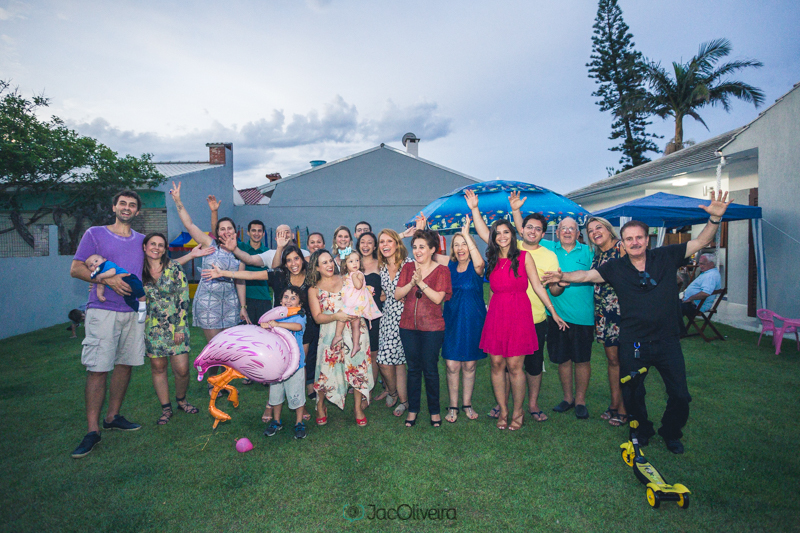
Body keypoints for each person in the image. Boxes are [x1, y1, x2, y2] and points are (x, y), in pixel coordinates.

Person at [543, 190, 733, 454]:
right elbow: (587, 275)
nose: (634, 242)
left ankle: (671, 432)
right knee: (632, 392)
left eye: (638, 238)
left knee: (680, 394)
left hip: (667, 340)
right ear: (623, 242)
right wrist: (562, 275)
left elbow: (700, 241)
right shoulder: (615, 267)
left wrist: (714, 219)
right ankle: (640, 429)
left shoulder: (666, 256)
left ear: (647, 239)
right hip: (633, 340)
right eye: (629, 238)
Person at [69, 190, 145, 458]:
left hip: (132, 313)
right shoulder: (95, 234)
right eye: (122, 203)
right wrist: (105, 280)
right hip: (102, 311)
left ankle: (112, 417)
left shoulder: (143, 241)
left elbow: (156, 268)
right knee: (98, 368)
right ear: (114, 207)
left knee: (125, 364)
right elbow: (76, 268)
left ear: (137, 212)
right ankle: (92, 431)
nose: (126, 208)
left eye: (132, 205)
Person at [475, 215, 567, 431]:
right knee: (497, 364)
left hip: (519, 315)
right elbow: (482, 231)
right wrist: (475, 210)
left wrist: (553, 312)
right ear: (494, 237)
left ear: (513, 234)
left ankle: (518, 411)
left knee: (515, 367)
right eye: (497, 233)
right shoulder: (492, 257)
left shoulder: (525, 257)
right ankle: (503, 410)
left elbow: (537, 286)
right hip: (497, 315)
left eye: (506, 232)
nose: (502, 236)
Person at [205, 244, 317, 421]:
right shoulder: (279, 275)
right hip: (277, 329)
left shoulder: (311, 277)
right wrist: (224, 273)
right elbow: (250, 274)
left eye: (296, 258)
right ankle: (270, 405)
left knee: (298, 367)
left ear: (302, 260)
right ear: (284, 263)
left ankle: (299, 405)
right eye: (289, 260)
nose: (293, 263)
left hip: (303, 328)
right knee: (276, 366)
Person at [169, 181, 248, 391]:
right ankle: (213, 380)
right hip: (208, 302)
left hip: (230, 302)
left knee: (227, 347)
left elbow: (240, 281)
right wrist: (178, 201)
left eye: (229, 228)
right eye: (221, 229)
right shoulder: (208, 245)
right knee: (215, 347)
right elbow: (189, 225)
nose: (226, 231)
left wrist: (242, 306)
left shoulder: (238, 253)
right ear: (218, 232)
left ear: (234, 231)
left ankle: (220, 382)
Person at [508, 194, 563, 423]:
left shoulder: (550, 256)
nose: (532, 231)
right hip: (509, 318)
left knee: (533, 364)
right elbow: (487, 235)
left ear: (543, 233)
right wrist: (515, 210)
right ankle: (503, 402)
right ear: (522, 229)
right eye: (528, 227)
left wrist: (558, 283)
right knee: (507, 364)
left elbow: (555, 291)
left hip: (535, 319)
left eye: (537, 229)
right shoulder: (511, 248)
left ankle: (532, 404)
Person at [141, 232, 204, 425]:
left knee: (182, 369)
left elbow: (183, 298)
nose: (156, 248)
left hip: (177, 326)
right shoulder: (138, 270)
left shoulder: (174, 268)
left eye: (160, 245)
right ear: (145, 247)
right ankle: (165, 408)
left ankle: (181, 400)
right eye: (153, 244)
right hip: (152, 328)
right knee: (158, 367)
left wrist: (180, 327)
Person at [307, 250, 374, 426]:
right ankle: (320, 405)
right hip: (330, 332)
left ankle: (357, 408)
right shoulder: (314, 288)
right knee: (325, 371)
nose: (329, 265)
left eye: (330, 261)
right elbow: (317, 317)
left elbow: (361, 293)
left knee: (357, 368)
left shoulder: (347, 278)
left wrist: (368, 292)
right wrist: (336, 317)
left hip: (355, 331)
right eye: (324, 263)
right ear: (316, 267)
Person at [394, 230, 452, 427]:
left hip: (433, 328)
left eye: (422, 247)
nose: (417, 251)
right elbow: (397, 294)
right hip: (408, 326)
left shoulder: (442, 270)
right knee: (413, 369)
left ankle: (434, 411)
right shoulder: (408, 267)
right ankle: (413, 410)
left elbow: (438, 298)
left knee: (430, 369)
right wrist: (412, 281)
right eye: (415, 247)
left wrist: (420, 283)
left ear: (432, 249)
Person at [540, 216, 596, 420]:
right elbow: (525, 232)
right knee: (562, 359)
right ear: (557, 232)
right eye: (563, 228)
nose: (567, 231)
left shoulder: (589, 251)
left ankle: (580, 401)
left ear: (578, 233)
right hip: (557, 318)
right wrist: (516, 210)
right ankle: (567, 398)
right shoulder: (549, 248)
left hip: (583, 317)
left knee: (582, 360)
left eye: (572, 228)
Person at [438, 218, 486, 423]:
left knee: (469, 366)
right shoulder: (448, 266)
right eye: (456, 245)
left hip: (473, 322)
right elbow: (427, 254)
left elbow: (481, 263)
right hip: (451, 321)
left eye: (464, 243)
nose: (460, 248)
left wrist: (466, 233)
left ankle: (466, 404)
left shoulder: (477, 268)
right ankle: (453, 406)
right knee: (451, 365)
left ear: (471, 245)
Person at [585, 216, 629, 427]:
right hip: (604, 314)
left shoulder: (621, 249)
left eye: (598, 227)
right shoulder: (597, 254)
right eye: (591, 230)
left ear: (609, 230)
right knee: (612, 361)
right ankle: (614, 403)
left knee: (627, 361)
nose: (595, 232)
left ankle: (624, 408)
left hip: (624, 313)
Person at [262, 286, 309, 440]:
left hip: (295, 365)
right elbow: (264, 327)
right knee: (275, 394)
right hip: (277, 365)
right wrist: (267, 325)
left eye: (293, 297)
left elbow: (298, 327)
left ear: (299, 303)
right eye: (286, 297)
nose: (289, 300)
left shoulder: (299, 315)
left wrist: (277, 325)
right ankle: (276, 421)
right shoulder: (275, 316)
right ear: (280, 300)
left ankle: (299, 422)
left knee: (297, 394)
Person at [377, 229, 413, 416]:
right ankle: (392, 392)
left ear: (397, 244)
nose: (385, 245)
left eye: (389, 241)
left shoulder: (408, 264)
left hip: (405, 317)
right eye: (381, 242)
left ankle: (404, 401)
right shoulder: (381, 266)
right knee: (385, 361)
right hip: (388, 318)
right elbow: (386, 292)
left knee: (399, 363)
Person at [357, 231, 388, 401]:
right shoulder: (353, 264)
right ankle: (357, 383)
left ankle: (370, 387)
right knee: (358, 351)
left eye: (370, 242)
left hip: (375, 316)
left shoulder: (380, 264)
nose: (366, 246)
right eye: (363, 242)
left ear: (375, 246)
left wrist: (378, 296)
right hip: (356, 316)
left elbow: (386, 290)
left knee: (373, 353)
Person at [332, 250, 382, 351]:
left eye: (357, 260)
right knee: (355, 324)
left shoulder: (359, 274)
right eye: (351, 261)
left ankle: (338, 335)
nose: (355, 263)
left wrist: (354, 277)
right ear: (345, 264)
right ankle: (356, 345)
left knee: (343, 316)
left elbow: (358, 286)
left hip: (356, 303)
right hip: (351, 302)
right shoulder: (345, 276)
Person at [84, 254, 146, 321]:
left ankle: (143, 303)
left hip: (127, 278)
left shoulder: (107, 264)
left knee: (137, 288)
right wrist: (100, 295)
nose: (95, 265)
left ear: (104, 259)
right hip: (124, 290)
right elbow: (100, 285)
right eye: (91, 265)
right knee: (129, 301)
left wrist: (101, 276)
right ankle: (140, 311)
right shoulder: (99, 275)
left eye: (96, 261)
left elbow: (112, 272)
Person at [680, 253, 722, 335]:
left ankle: (678, 331)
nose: (700, 265)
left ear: (711, 264)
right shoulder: (708, 273)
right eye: (699, 263)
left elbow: (705, 293)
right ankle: (677, 330)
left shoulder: (710, 275)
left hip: (697, 306)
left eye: (703, 263)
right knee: (671, 304)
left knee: (673, 307)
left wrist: (690, 298)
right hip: (693, 303)